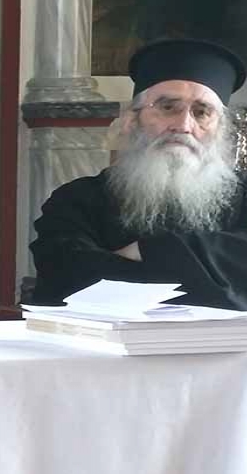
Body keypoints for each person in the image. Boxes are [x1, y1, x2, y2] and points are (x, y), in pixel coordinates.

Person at [30, 39, 247, 309]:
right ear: (132, 120)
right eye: (168, 107)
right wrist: (213, 275)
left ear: (220, 130)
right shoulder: (77, 200)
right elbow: (69, 278)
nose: (183, 125)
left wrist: (146, 251)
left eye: (202, 113)